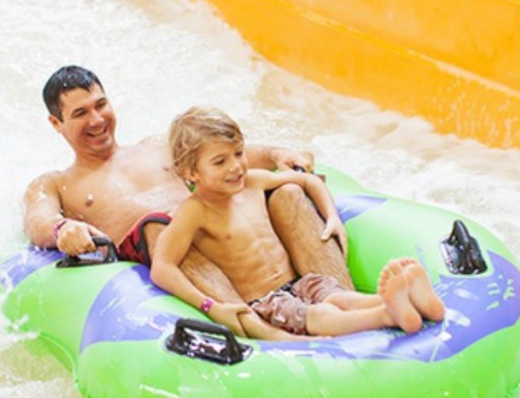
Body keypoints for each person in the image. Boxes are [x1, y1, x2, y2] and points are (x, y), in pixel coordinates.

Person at [22, 65, 352, 340]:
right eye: (81, 113)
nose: (96, 120)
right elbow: (38, 219)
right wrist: (63, 228)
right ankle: (258, 333)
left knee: (288, 192)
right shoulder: (57, 183)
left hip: (227, 240)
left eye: (100, 104)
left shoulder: (158, 146)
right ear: (56, 124)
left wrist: (278, 153)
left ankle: (345, 301)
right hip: (178, 256)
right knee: (159, 225)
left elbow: (225, 154)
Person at [151, 107, 446, 336]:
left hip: (302, 282)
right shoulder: (194, 211)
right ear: (191, 173)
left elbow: (306, 181)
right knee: (318, 316)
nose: (236, 166)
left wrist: (332, 217)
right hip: (267, 302)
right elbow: (163, 267)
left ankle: (409, 300)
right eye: (220, 161)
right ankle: (387, 315)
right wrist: (210, 306)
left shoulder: (253, 182)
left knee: (339, 298)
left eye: (239, 153)